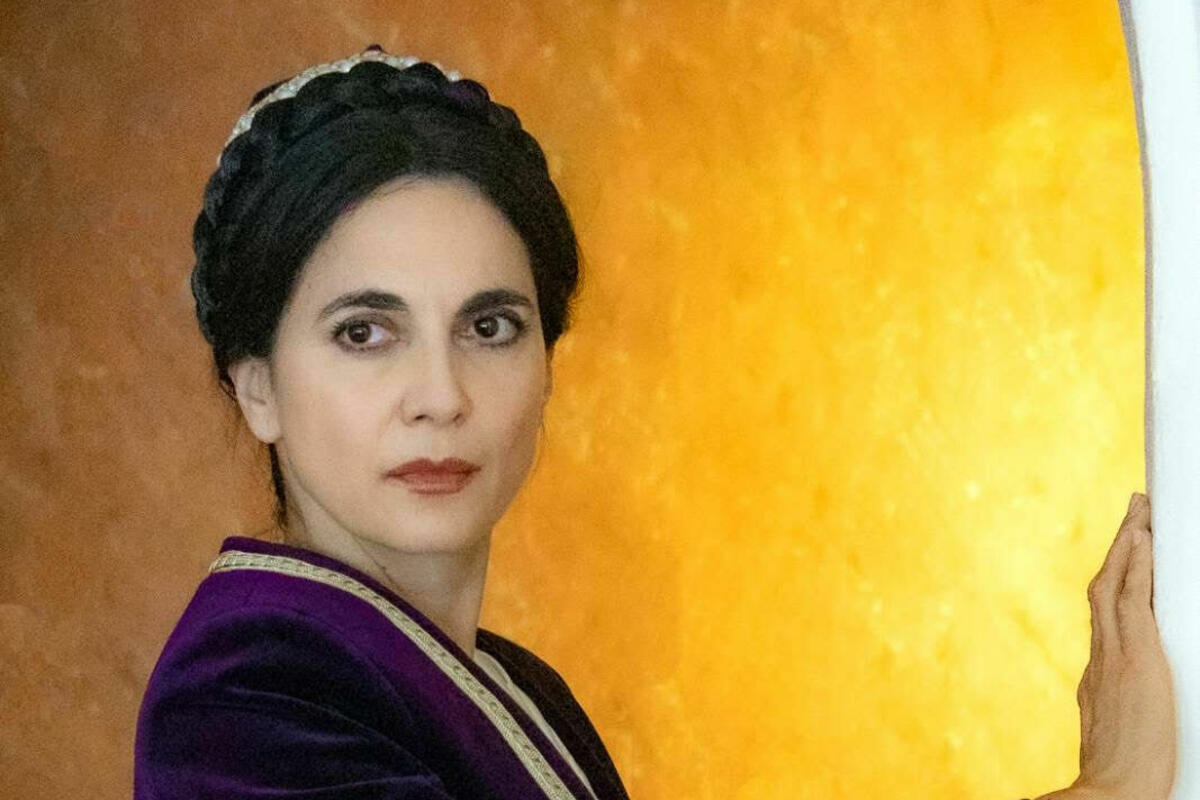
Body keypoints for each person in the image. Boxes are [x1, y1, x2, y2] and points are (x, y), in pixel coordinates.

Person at [131, 45, 1176, 800]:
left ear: (547, 361)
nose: (440, 394)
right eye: (365, 333)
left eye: (490, 326)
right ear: (257, 384)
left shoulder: (520, 691)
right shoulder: (240, 697)